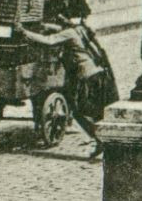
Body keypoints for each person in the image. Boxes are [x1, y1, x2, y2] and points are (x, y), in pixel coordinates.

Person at [14, 9, 118, 154]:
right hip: (98, 74)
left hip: (88, 77)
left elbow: (49, 41)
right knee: (94, 111)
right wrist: (46, 26)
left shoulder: (68, 33)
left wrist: (25, 32)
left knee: (77, 111)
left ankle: (100, 139)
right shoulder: (81, 29)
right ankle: (104, 139)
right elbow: (59, 30)